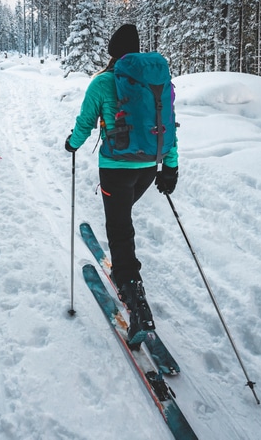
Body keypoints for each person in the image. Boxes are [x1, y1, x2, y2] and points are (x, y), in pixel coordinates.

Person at [64, 24, 179, 342]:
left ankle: (136, 304)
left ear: (112, 52)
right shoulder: (157, 83)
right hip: (148, 167)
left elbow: (86, 123)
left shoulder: (103, 81)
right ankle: (125, 269)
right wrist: (170, 167)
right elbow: (169, 123)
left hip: (116, 168)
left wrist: (72, 144)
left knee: (119, 229)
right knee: (122, 218)